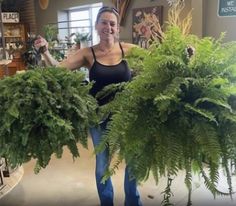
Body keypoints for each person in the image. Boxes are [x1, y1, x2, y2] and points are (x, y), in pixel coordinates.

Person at [34, 6, 142, 206]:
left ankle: (133, 201)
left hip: (128, 116)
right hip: (98, 117)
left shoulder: (129, 50)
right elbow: (59, 69)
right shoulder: (88, 54)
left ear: (117, 28)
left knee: (133, 163)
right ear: (96, 25)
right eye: (104, 22)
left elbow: (159, 62)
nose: (108, 27)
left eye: (112, 23)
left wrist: (183, 54)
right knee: (102, 167)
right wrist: (45, 52)